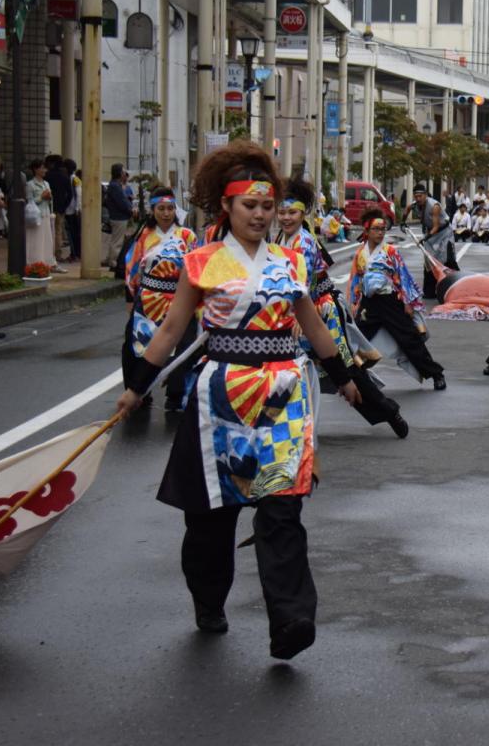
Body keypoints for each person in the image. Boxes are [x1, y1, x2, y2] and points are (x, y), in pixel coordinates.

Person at [114, 140, 361, 660]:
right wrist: (137, 386)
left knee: (282, 510)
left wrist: (342, 375)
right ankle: (208, 600)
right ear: (225, 206)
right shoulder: (202, 261)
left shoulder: (291, 262)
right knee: (210, 519)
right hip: (221, 397)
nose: (260, 215)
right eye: (250, 205)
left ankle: (292, 619)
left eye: (268, 206)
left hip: (283, 395)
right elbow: (171, 331)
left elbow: (313, 326)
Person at [275, 181, 408, 438]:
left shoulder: (303, 241)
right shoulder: (281, 237)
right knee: (294, 368)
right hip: (297, 313)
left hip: (318, 311)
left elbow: (300, 283)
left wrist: (299, 316)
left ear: (303, 214)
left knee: (344, 370)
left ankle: (388, 410)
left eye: (291, 213)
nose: (285, 217)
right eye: (281, 212)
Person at [349, 205, 448, 391]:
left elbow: (403, 276)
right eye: (376, 229)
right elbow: (356, 279)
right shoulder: (360, 254)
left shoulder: (390, 252)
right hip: (369, 304)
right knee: (356, 337)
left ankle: (436, 374)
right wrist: (355, 303)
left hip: (390, 301)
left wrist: (408, 302)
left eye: (382, 229)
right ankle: (353, 377)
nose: (380, 233)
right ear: (367, 231)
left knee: (409, 339)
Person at [122, 186, 199, 411]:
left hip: (179, 298)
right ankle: (139, 391)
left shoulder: (187, 236)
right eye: (161, 208)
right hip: (148, 298)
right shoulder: (143, 236)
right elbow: (132, 268)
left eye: (170, 208)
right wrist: (131, 299)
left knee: (184, 346)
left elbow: (196, 268)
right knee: (134, 345)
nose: (166, 213)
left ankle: (175, 394)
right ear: (153, 209)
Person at [407, 184, 457, 298]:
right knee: (429, 262)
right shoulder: (416, 205)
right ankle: (429, 291)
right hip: (430, 235)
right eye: (416, 196)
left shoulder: (434, 206)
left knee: (446, 260)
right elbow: (407, 209)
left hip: (443, 234)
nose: (418, 198)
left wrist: (424, 238)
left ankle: (455, 285)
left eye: (420, 196)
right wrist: (403, 222)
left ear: (425, 195)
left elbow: (435, 226)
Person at [24, 159, 58, 270]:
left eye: (45, 168)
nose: (45, 170)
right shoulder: (30, 184)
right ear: (35, 169)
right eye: (42, 168)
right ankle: (34, 262)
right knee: (35, 240)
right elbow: (29, 201)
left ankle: (47, 262)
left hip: (46, 214)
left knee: (46, 240)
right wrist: (41, 197)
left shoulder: (46, 183)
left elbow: (50, 201)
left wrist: (49, 197)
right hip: (35, 216)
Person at [103, 163, 134, 270]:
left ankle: (110, 259)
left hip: (117, 215)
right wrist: (130, 210)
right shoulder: (115, 186)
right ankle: (113, 261)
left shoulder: (114, 185)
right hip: (119, 217)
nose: (124, 173)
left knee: (115, 239)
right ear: (120, 173)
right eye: (123, 171)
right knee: (117, 241)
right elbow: (122, 202)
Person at [45, 155, 73, 265]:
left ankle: (48, 252)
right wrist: (64, 206)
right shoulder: (64, 177)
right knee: (58, 232)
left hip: (48, 207)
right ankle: (58, 254)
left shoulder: (47, 176)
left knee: (48, 231)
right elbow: (70, 194)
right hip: (61, 208)